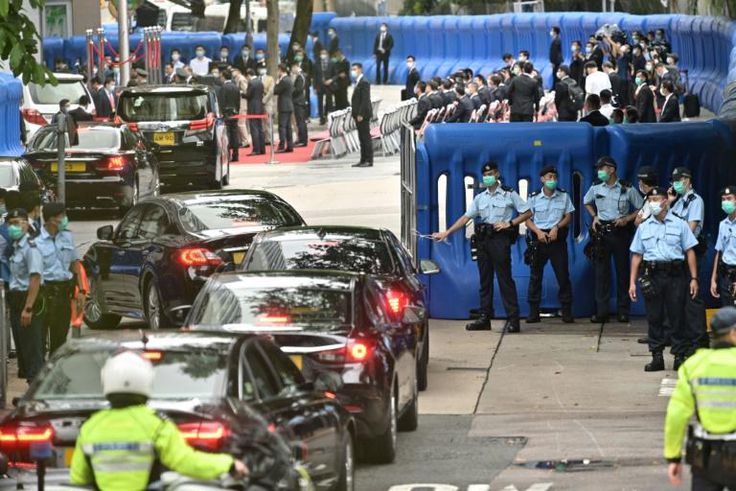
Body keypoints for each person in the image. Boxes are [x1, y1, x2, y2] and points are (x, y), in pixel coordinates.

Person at [70, 351, 248, 488]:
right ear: (147, 381)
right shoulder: (156, 425)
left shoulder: (90, 427)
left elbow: (78, 478)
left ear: (105, 381)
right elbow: (185, 461)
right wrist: (229, 464)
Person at [433, 162, 531, 333]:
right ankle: (485, 317)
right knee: (485, 281)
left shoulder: (509, 194)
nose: (488, 177)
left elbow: (528, 212)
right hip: (483, 241)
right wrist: (446, 232)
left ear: (497, 174)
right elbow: (465, 217)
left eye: (491, 174)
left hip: (500, 240)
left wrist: (510, 223)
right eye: (485, 175)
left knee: (505, 280)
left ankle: (513, 319)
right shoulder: (480, 198)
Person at [664, 306, 736, 490]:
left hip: (706, 459)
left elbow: (676, 414)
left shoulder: (694, 365)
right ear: (733, 333)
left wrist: (673, 457)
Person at [629, 187, 698, 371]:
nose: (653, 203)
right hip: (652, 275)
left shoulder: (679, 224)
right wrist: (632, 283)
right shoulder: (644, 227)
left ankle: (679, 356)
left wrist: (694, 278)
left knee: (677, 316)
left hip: (676, 275)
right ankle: (657, 356)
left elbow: (690, 251)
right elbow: (637, 255)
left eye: (656, 199)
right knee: (654, 317)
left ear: (666, 201)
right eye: (650, 199)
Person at [584, 156, 644, 323]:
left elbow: (641, 207)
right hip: (602, 232)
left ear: (611, 169)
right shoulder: (596, 187)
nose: (599, 171)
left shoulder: (627, 188)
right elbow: (586, 202)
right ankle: (601, 312)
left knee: (622, 272)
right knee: (601, 273)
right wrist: (595, 216)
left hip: (620, 232)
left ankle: (623, 311)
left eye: (602, 168)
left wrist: (628, 218)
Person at [525, 165, 575, 323]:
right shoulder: (533, 197)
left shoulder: (564, 196)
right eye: (549, 177)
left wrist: (556, 227)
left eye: (554, 177)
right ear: (542, 179)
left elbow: (568, 216)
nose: (552, 180)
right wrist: (538, 232)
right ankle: (533, 312)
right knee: (535, 276)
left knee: (562, 276)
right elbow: (526, 218)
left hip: (557, 240)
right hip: (539, 239)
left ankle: (566, 311)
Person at [36, 203, 84, 355]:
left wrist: (81, 290)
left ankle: (56, 373)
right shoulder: (36, 240)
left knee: (60, 340)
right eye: (62, 217)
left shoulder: (67, 236)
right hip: (43, 293)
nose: (65, 220)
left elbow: (75, 264)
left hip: (63, 293)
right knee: (40, 340)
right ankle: (39, 376)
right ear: (51, 220)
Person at [6, 208, 44, 384]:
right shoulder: (15, 247)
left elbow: (35, 278)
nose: (12, 227)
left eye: (16, 223)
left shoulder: (31, 248)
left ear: (26, 224)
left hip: (27, 303)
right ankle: (30, 394)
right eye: (10, 224)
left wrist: (28, 308)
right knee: (24, 353)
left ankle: (35, 397)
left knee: (32, 352)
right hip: (15, 302)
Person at [711, 187, 736, 308]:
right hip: (726, 275)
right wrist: (713, 279)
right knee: (729, 315)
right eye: (723, 199)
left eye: (729, 198)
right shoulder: (723, 224)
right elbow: (719, 251)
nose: (726, 202)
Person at [350, 63, 373, 168]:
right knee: (361, 138)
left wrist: (360, 114)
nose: (353, 71)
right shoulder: (358, 82)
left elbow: (365, 100)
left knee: (365, 138)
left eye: (354, 69)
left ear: (360, 70)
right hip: (357, 115)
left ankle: (368, 160)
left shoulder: (364, 82)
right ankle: (363, 159)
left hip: (362, 115)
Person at [219, 69, 241, 162]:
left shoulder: (224, 87)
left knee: (226, 135)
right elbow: (238, 101)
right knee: (235, 134)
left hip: (226, 114)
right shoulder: (235, 87)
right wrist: (237, 111)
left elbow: (222, 101)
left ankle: (227, 155)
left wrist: (222, 112)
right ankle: (236, 155)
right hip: (235, 113)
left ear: (224, 76)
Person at [243, 69, 265, 156]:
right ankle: (262, 148)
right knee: (260, 129)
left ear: (249, 75)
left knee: (254, 129)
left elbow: (248, 95)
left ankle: (256, 149)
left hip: (253, 107)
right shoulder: (260, 82)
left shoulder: (251, 83)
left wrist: (242, 94)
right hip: (260, 107)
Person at [273, 64, 294, 154]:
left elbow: (276, 90)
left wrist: (277, 82)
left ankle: (282, 145)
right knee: (288, 127)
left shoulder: (284, 80)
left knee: (282, 127)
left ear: (280, 70)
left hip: (284, 106)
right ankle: (290, 145)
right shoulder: (289, 79)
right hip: (289, 105)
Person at [314, 48, 334, 125]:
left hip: (328, 85)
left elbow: (335, 74)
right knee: (320, 102)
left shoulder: (331, 63)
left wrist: (331, 80)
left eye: (324, 53)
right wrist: (315, 87)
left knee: (329, 102)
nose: (323, 55)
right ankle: (321, 118)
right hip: (319, 85)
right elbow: (315, 75)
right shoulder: (316, 63)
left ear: (327, 54)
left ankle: (330, 117)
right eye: (321, 53)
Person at [291, 62, 308, 147]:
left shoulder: (300, 77)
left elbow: (298, 90)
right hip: (298, 101)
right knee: (299, 122)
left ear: (297, 67)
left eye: (293, 67)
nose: (292, 70)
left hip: (298, 102)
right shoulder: (299, 76)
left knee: (301, 122)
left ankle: (302, 140)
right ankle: (301, 139)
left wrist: (290, 92)